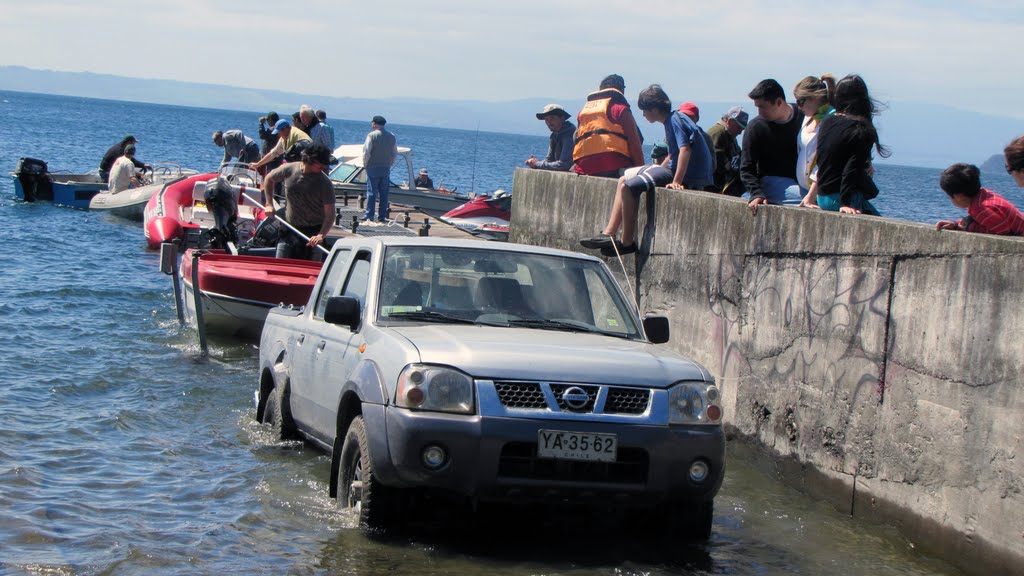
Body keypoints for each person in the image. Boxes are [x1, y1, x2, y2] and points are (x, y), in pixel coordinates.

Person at [579, 142, 675, 256]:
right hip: (664, 168)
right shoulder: (672, 125)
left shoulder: (676, 124)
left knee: (627, 187)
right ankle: (609, 233)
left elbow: (684, 150)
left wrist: (677, 180)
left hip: (671, 171)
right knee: (622, 180)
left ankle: (627, 242)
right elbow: (672, 154)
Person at [813, 74, 890, 215]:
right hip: (839, 198)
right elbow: (851, 169)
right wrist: (845, 203)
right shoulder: (862, 129)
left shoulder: (828, 121)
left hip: (822, 197)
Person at [261, 143, 338, 260]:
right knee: (281, 267)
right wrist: (269, 204)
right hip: (289, 228)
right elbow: (269, 179)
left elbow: (330, 215)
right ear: (309, 160)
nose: (324, 168)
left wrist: (321, 235)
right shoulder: (289, 169)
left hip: (313, 234)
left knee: (311, 273)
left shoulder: (325, 183)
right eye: (320, 165)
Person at [742, 79, 805, 212]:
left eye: (762, 107)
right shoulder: (756, 127)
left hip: (801, 179)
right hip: (771, 180)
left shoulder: (803, 117)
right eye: (757, 107)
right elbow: (747, 167)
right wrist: (756, 192)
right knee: (806, 200)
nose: (759, 112)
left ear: (779, 102)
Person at [634, 84, 712, 191]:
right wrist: (659, 169)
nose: (643, 115)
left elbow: (685, 150)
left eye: (645, 110)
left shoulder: (675, 120)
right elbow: (672, 154)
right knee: (625, 179)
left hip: (690, 177)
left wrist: (676, 182)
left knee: (627, 184)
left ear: (655, 109)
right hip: (688, 173)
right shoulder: (670, 121)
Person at [572, 74, 645, 177]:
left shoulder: (583, 112)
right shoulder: (620, 109)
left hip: (584, 167)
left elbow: (576, 138)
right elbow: (635, 142)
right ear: (621, 90)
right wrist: (640, 171)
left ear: (600, 89)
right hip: (614, 165)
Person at [935, 163, 1024, 236]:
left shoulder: (980, 208)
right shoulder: (984, 194)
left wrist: (968, 227)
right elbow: (983, 221)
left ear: (958, 196)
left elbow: (1003, 230)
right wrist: (956, 224)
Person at [792, 75, 837, 208]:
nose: (799, 107)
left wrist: (811, 196)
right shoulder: (808, 117)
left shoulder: (832, 119)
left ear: (815, 97)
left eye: (801, 101)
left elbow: (825, 162)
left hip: (820, 193)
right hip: (804, 190)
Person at [362, 115, 398, 222]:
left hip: (373, 166)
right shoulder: (392, 136)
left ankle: (369, 215)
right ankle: (382, 216)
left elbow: (366, 152)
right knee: (384, 192)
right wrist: (390, 163)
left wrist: (365, 164)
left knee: (372, 192)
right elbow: (395, 152)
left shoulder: (371, 135)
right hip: (385, 167)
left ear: (374, 123)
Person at [706, 106, 749, 195]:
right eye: (738, 127)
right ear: (730, 122)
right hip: (712, 185)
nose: (740, 132)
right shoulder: (718, 132)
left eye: (742, 129)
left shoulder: (730, 136)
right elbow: (716, 161)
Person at [525, 104, 575, 171]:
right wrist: (534, 164)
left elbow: (563, 164)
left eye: (552, 118)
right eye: (546, 119)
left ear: (562, 118)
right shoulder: (554, 134)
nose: (549, 122)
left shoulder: (569, 134)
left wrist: (537, 164)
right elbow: (549, 160)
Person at [678, 102, 716, 187]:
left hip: (696, 184)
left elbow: (712, 165)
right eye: (683, 116)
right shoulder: (675, 134)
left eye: (690, 117)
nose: (686, 119)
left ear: (697, 118)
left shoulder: (706, 138)